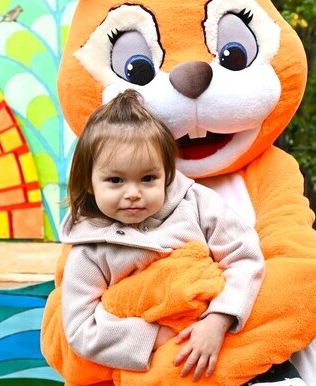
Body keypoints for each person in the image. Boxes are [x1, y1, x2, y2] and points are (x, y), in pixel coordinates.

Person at [61, 89, 269, 382]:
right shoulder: (89, 250)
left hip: (221, 340)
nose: (133, 193)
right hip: (160, 362)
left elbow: (245, 256)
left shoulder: (196, 203)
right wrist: (157, 336)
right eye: (115, 180)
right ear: (89, 182)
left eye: (148, 178)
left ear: (167, 173)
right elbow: (80, 328)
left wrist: (219, 320)